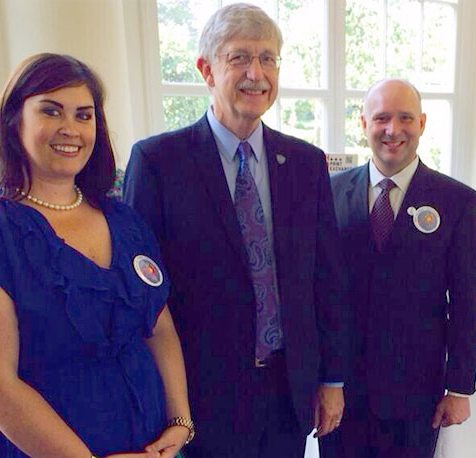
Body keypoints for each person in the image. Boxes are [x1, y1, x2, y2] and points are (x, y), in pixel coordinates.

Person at [123, 3, 347, 457]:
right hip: (201, 399)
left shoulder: (306, 163)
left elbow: (327, 279)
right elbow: (143, 294)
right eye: (239, 57)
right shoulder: (158, 163)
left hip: (289, 394)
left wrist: (331, 379)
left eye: (268, 58)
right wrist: (163, 402)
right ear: (206, 69)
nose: (256, 73)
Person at [0, 53, 191, 458]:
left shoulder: (124, 220)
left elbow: (159, 326)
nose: (71, 129)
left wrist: (180, 421)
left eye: (84, 115)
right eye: (51, 111)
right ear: (15, 119)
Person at [321, 79, 476, 457]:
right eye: (381, 118)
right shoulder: (328, 193)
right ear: (363, 125)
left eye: (405, 118)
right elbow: (319, 291)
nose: (393, 130)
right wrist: (322, 379)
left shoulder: (457, 201)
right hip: (341, 392)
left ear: (422, 123)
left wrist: (459, 388)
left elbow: (466, 300)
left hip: (415, 395)